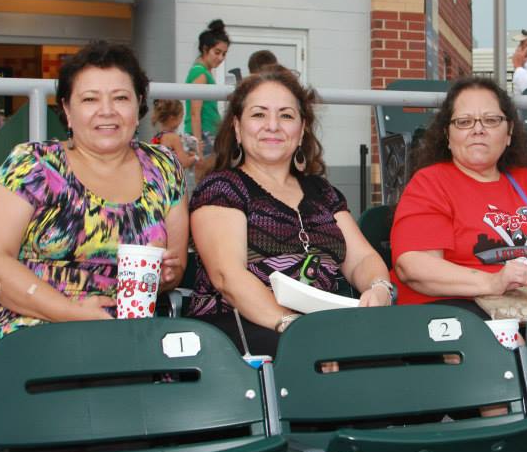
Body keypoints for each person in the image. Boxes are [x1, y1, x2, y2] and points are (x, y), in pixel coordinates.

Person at [0, 42, 188, 382]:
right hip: (21, 321)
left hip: (125, 330)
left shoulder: (164, 167)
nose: (106, 111)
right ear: (66, 108)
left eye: (120, 98)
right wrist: (69, 312)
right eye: (90, 99)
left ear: (138, 105)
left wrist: (167, 275)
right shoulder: (33, 164)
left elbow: (175, 267)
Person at [186, 68, 392, 357]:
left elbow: (363, 259)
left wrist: (379, 287)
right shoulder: (222, 189)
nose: (273, 126)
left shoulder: (322, 192)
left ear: (302, 128)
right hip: (244, 327)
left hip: (323, 327)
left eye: (286, 115)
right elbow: (227, 277)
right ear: (236, 127)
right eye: (259, 115)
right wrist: (292, 327)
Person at [391, 77, 527, 318]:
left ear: (509, 132)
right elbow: (414, 266)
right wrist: (493, 282)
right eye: (464, 122)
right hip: (454, 313)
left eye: (491, 120)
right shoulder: (430, 183)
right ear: (447, 136)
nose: (478, 129)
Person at [184, 19, 229, 154]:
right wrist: (198, 143)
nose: (221, 58)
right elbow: (195, 113)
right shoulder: (199, 73)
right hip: (202, 134)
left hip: (207, 132)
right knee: (204, 174)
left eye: (224, 54)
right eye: (217, 52)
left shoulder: (205, 72)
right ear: (205, 49)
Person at [151, 99, 199, 170]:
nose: (181, 120)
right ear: (172, 118)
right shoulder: (174, 138)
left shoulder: (157, 137)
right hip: (171, 179)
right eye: (181, 116)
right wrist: (196, 156)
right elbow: (184, 163)